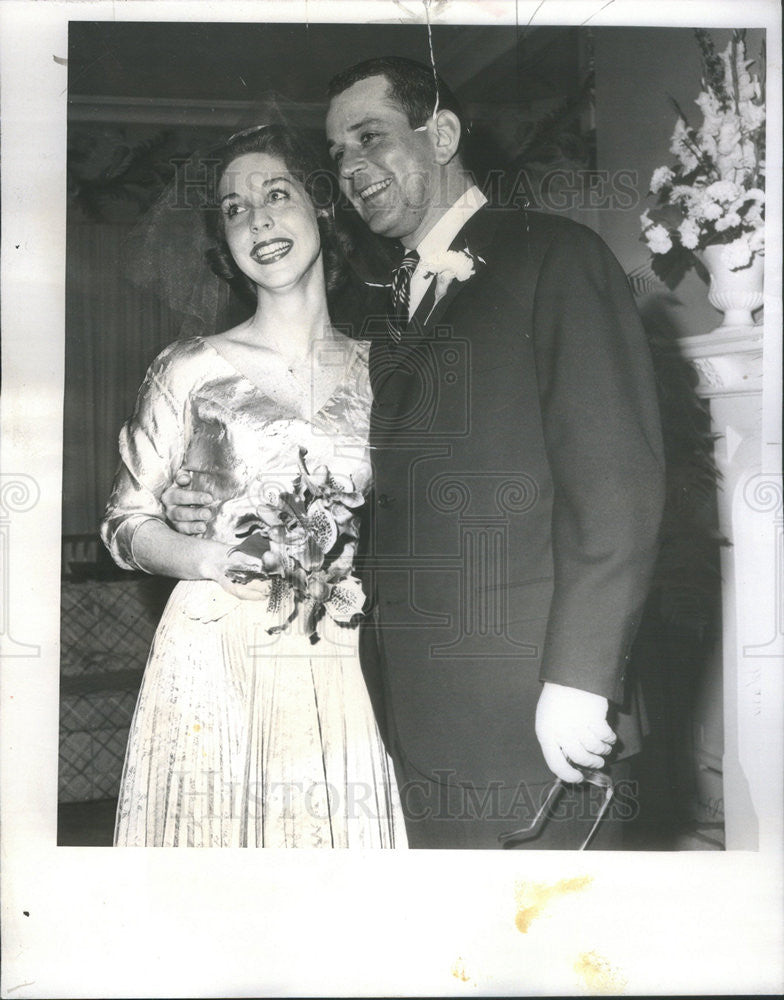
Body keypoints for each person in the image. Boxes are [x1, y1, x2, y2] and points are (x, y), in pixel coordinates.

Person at [166, 57, 666, 849]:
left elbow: (618, 490)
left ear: (442, 133)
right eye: (336, 155)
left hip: (536, 714)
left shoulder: (553, 257)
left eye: (371, 138)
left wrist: (581, 679)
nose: (353, 168)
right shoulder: (392, 311)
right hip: (413, 719)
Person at [101, 124, 407, 848]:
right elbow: (125, 520)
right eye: (235, 210)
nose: (259, 218)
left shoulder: (385, 370)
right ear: (226, 248)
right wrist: (205, 555)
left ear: (322, 212)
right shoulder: (188, 369)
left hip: (344, 652)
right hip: (217, 650)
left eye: (277, 194)